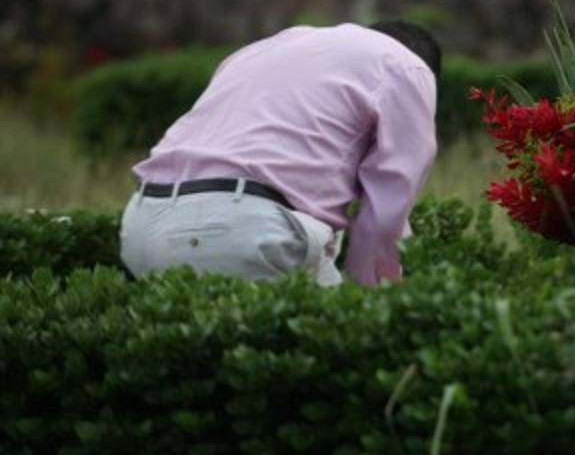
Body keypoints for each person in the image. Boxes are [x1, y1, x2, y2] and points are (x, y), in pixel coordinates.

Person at [119, 21, 439, 287]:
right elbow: (388, 207)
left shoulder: (263, 49)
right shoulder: (407, 67)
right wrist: (376, 301)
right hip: (242, 229)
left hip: (141, 224)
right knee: (342, 349)